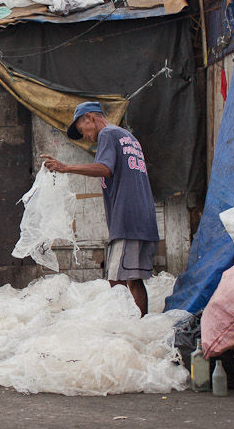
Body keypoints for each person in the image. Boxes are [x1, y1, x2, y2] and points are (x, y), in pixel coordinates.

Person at [41, 101, 159, 316]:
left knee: (116, 278)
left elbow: (104, 168)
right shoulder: (127, 137)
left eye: (80, 129)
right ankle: (142, 324)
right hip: (144, 219)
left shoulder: (106, 134)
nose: (84, 135)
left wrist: (65, 168)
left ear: (90, 118)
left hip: (127, 220)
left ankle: (125, 326)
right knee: (134, 279)